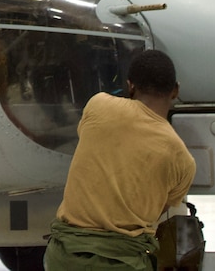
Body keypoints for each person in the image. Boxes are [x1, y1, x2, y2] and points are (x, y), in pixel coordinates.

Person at [44, 49, 197, 271]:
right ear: (175, 90)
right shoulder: (183, 161)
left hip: (64, 258)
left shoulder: (98, 105)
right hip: (123, 263)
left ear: (130, 86)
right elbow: (156, 213)